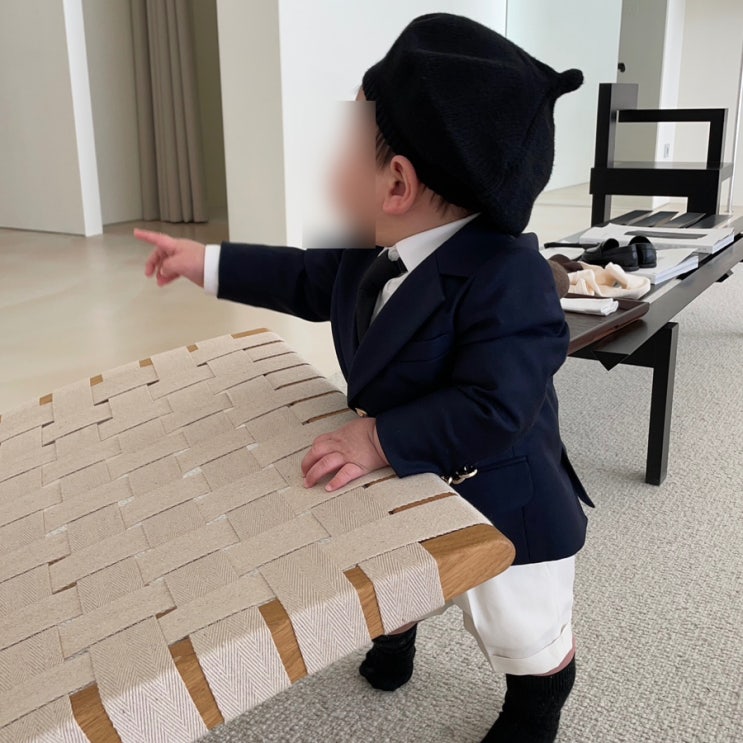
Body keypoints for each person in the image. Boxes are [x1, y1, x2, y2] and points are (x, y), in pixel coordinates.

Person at [136, 14, 592, 743]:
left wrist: (379, 437)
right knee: (389, 563)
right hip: (403, 473)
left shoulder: (513, 281)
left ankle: (541, 696)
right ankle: (397, 628)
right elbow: (302, 277)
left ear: (397, 183)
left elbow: (494, 405)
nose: (330, 156)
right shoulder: (370, 245)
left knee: (516, 622)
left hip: (500, 490)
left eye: (346, 141)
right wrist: (207, 262)